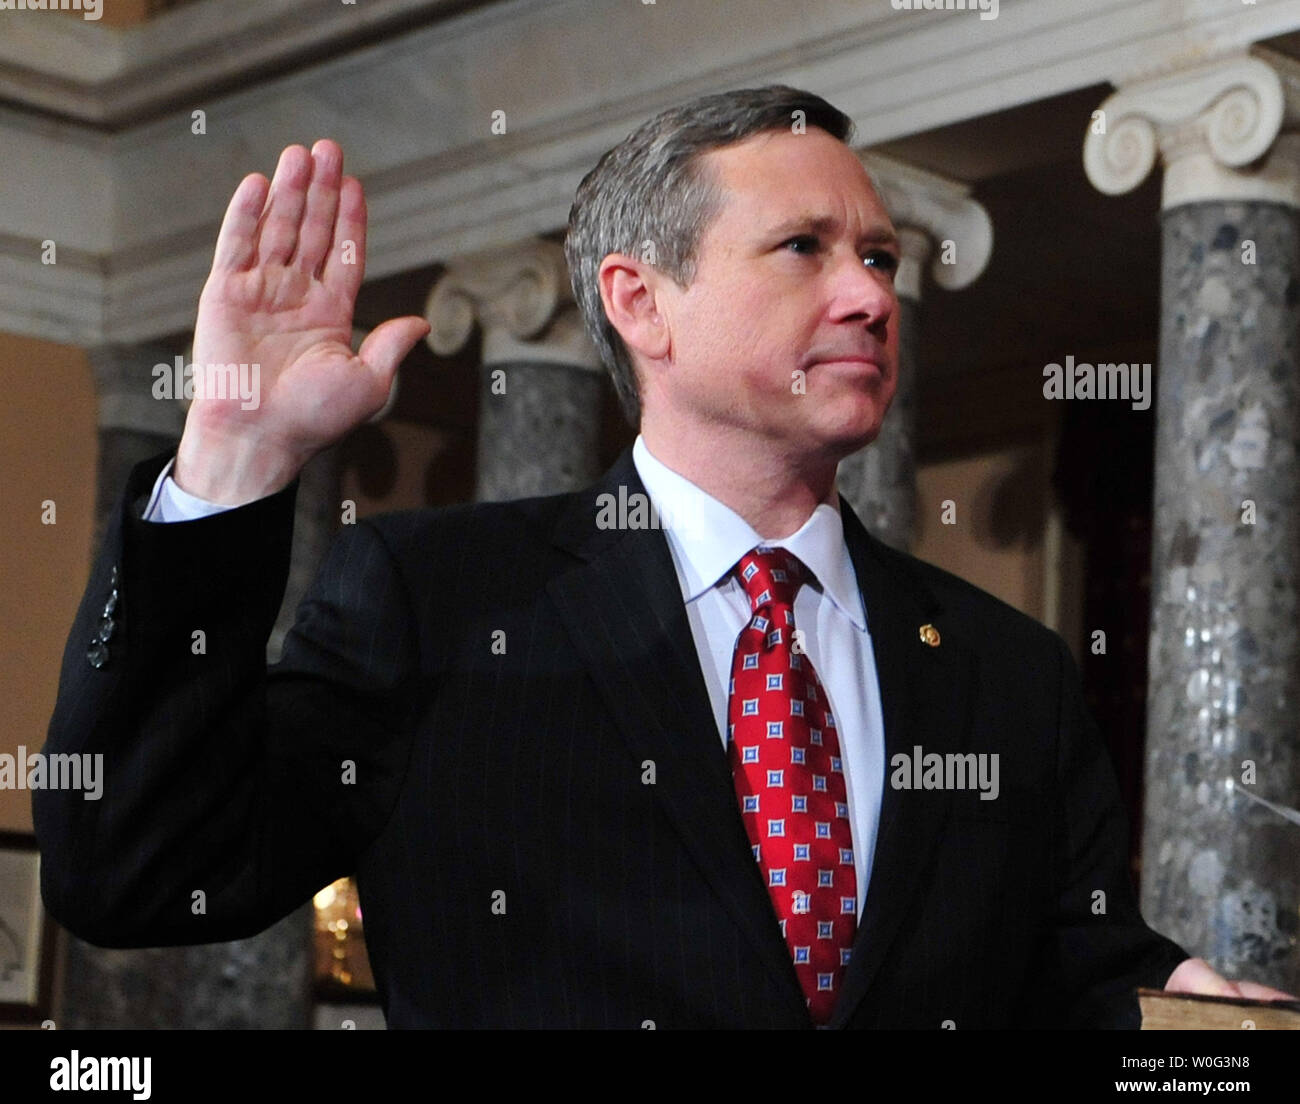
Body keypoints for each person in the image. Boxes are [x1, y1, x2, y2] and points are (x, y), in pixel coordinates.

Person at [34, 85, 1290, 1028]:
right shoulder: (440, 600)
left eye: (880, 258)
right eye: (805, 249)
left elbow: (1062, 965)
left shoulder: (1004, 671)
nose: (868, 295)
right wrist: (231, 466)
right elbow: (137, 871)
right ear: (641, 301)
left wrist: (1165, 1008)